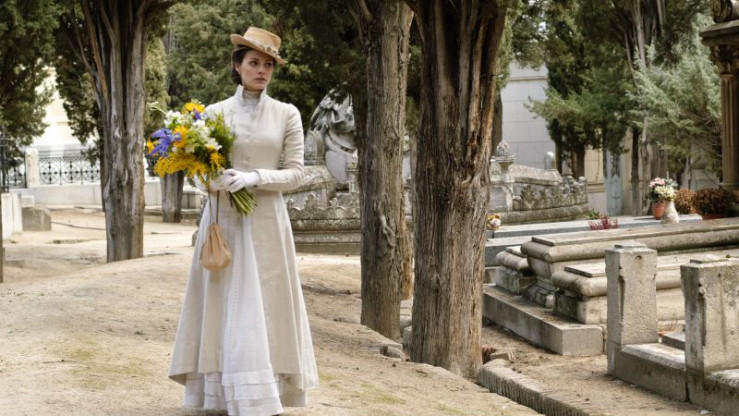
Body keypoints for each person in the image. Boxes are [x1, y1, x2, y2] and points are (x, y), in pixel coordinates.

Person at [168, 27, 318, 416]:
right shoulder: (214, 113)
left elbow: (298, 172)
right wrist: (212, 181)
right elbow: (198, 170)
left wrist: (255, 178)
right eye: (254, 62)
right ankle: (219, 393)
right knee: (222, 298)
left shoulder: (287, 113)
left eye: (268, 64)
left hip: (267, 222)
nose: (261, 70)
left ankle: (261, 393)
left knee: (264, 301)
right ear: (237, 66)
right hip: (224, 220)